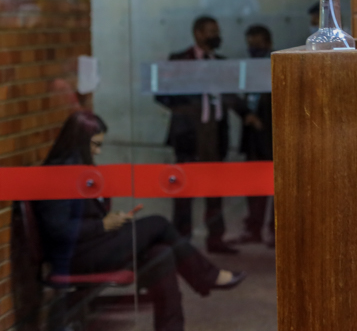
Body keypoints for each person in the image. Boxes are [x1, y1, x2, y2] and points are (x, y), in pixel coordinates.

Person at [34, 111, 245, 331]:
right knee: (159, 223)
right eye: (94, 145)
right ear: (78, 142)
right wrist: (102, 225)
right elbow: (57, 230)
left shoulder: (79, 168)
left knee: (161, 253)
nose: (98, 151)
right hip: (76, 256)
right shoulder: (59, 175)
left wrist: (111, 221)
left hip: (92, 246)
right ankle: (207, 276)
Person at [156, 16, 251, 253]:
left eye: (217, 31)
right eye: (211, 31)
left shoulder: (221, 63)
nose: (216, 36)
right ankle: (181, 240)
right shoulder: (180, 60)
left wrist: (247, 114)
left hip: (215, 131)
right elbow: (162, 92)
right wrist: (184, 108)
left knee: (215, 188)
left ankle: (216, 238)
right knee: (185, 187)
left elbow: (231, 95)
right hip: (189, 131)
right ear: (198, 33)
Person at [239, 24, 274, 246]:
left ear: (268, 43)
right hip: (252, 136)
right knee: (253, 185)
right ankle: (253, 228)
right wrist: (247, 114)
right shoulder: (247, 68)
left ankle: (275, 231)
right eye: (251, 44)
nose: (254, 48)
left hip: (272, 134)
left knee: (276, 185)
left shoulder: (275, 65)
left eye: (258, 44)